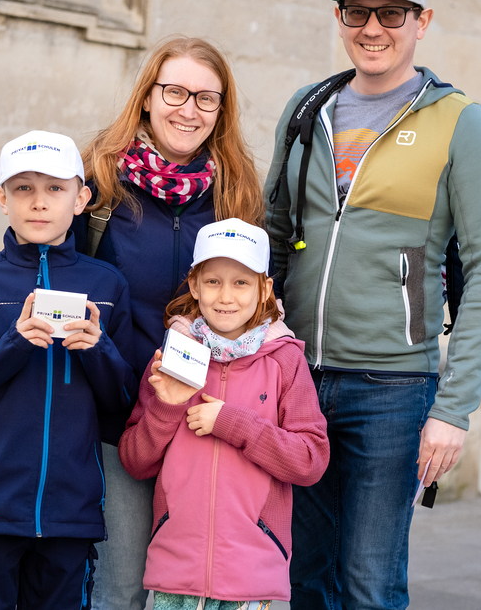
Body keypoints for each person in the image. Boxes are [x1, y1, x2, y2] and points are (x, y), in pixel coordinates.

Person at [264, 0, 481, 610]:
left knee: (369, 583)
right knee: (303, 577)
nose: (372, 28)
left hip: (393, 390)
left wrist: (453, 409)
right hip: (298, 379)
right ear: (340, 19)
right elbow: (271, 237)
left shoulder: (458, 120)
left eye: (392, 14)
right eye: (357, 12)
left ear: (421, 22)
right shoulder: (307, 108)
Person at [74, 37, 266, 610]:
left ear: (221, 110)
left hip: (207, 420)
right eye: (175, 92)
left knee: (197, 589)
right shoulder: (98, 183)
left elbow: (261, 302)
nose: (189, 109)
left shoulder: (237, 191)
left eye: (206, 98)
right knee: (121, 590)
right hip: (120, 417)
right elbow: (43, 275)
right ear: (147, 97)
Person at [0, 130, 136, 610]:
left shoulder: (106, 284)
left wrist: (98, 350)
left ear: (80, 200)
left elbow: (124, 404)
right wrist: (11, 346)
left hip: (70, 516)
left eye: (55, 188)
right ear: (3, 199)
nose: (39, 202)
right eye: (23, 188)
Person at [118, 218, 330, 609]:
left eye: (241, 282)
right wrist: (167, 407)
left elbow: (310, 460)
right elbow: (134, 461)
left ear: (264, 289)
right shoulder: (173, 357)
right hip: (176, 570)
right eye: (213, 281)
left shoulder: (285, 361)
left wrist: (232, 423)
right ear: (195, 285)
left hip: (251, 573)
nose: (226, 296)